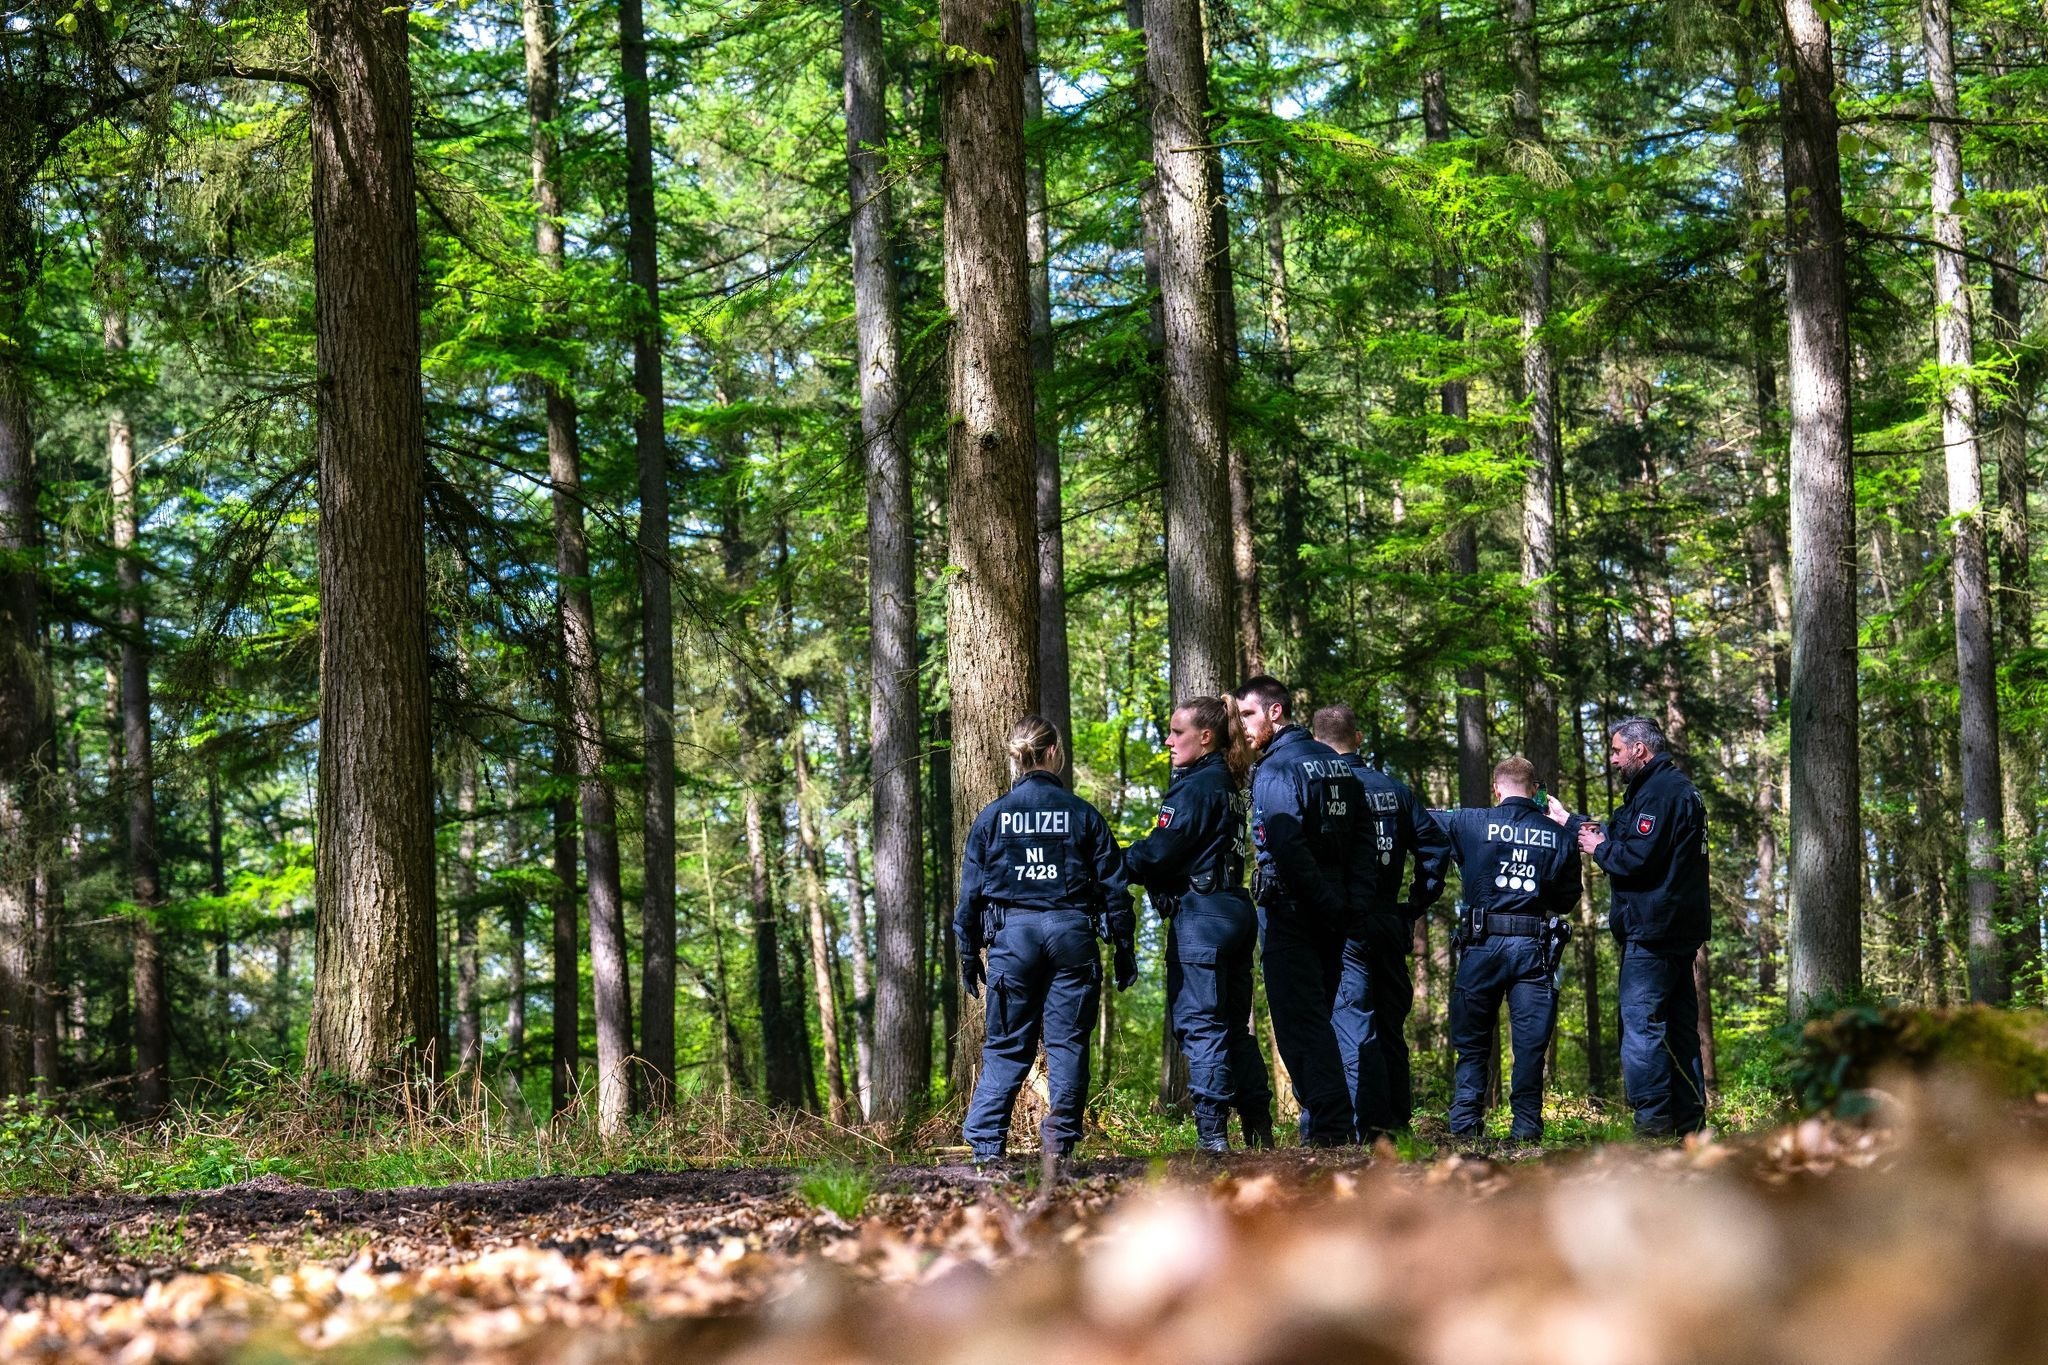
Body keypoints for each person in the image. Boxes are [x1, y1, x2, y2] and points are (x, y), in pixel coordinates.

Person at [954, 715, 1129, 1164]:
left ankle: (987, 1146)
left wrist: (966, 950)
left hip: (1015, 939)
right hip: (1071, 936)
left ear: (1017, 758)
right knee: (1067, 1043)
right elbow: (1114, 886)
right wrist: (1124, 946)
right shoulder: (1083, 814)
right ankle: (1060, 1144)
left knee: (1007, 1044)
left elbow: (970, 894)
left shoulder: (992, 818)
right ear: (1053, 752)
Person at [1118, 697, 1275, 1152]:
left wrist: (1115, 862)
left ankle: (1213, 1137)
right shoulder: (1228, 780)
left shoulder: (1196, 786)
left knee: (1201, 1025)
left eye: (1176, 732)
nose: (1167, 741)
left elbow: (1161, 850)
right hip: (1233, 910)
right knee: (1231, 1024)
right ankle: (1258, 1129)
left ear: (1204, 737)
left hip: (1204, 915)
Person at [1232, 675, 1374, 1146]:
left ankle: (1331, 1129)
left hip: (1295, 913)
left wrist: (1328, 903)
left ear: (1276, 712)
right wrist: (1347, 905)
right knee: (1321, 1020)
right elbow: (1363, 842)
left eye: (1249, 715)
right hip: (1331, 915)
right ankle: (1334, 1127)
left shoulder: (1275, 771)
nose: (1243, 726)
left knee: (1298, 1027)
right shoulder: (1338, 767)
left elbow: (1288, 846)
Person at [1556, 717, 1709, 1137]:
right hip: (1677, 930)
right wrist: (1572, 822)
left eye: (1617, 751)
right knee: (1678, 1030)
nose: (1612, 759)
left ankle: (1655, 1127)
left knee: (1643, 1027)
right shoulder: (1669, 790)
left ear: (1640, 750)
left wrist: (1599, 849)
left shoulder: (1661, 794)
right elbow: (1630, 839)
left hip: (1654, 931)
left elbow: (1636, 859)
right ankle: (1689, 1125)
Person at [1311, 705, 1451, 1133]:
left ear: (1316, 743)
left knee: (1352, 1021)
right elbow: (1435, 849)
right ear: (1357, 739)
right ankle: (1396, 1120)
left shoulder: (1321, 787)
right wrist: (1412, 906)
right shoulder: (1395, 790)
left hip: (1343, 925)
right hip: (1389, 920)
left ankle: (1368, 1127)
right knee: (1389, 1023)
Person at [1435, 756, 1583, 1144]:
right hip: (1533, 949)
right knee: (1530, 1046)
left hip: (1482, 946)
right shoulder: (1558, 835)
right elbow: (1567, 899)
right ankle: (1527, 1127)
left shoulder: (1469, 822)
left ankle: (1465, 1125)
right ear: (1535, 791)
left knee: (1472, 1044)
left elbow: (1419, 820)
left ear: (1497, 789)